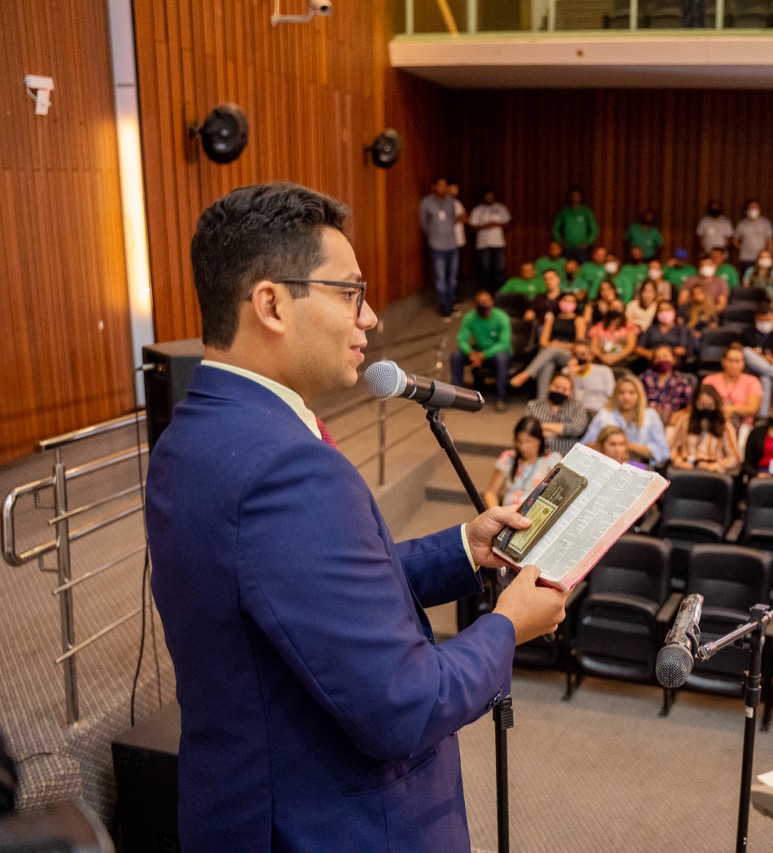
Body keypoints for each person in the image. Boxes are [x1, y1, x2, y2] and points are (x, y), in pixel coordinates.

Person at [147, 182, 567, 852]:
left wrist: (462, 547)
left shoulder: (193, 433)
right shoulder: (286, 465)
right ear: (272, 304)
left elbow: (299, 592)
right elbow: (404, 704)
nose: (370, 318)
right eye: (350, 293)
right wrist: (508, 627)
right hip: (335, 823)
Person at [582, 373, 670, 466]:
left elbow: (663, 452)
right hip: (607, 464)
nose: (626, 397)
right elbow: (585, 445)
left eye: (631, 392)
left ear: (639, 395)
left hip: (639, 465)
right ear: (615, 395)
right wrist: (605, 444)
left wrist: (629, 445)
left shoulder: (650, 415)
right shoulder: (604, 414)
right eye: (621, 393)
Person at [509, 292, 583, 400]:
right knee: (548, 363)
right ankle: (541, 402)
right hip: (550, 354)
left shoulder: (579, 320)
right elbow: (543, 341)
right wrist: (554, 345)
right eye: (565, 300)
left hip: (569, 355)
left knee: (552, 350)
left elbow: (579, 345)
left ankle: (526, 374)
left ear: (576, 304)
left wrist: (559, 345)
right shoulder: (551, 318)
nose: (567, 303)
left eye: (571, 301)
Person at [451, 291, 512, 412]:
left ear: (492, 303)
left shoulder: (501, 317)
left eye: (485, 302)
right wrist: (471, 353)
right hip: (478, 350)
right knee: (456, 356)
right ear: (475, 305)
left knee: (501, 359)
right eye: (479, 302)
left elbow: (504, 343)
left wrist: (483, 355)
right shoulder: (470, 318)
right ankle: (456, 395)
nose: (482, 304)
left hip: (497, 351)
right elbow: (462, 339)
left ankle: (501, 398)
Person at [482, 417, 562, 509]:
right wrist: (496, 512)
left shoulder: (552, 460)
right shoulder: (508, 458)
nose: (523, 447)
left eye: (528, 442)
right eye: (519, 442)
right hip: (508, 514)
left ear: (539, 441)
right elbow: (490, 492)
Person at [665, 384, 742, 474]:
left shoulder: (725, 425)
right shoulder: (684, 421)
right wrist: (679, 462)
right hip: (686, 467)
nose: (705, 409)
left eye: (710, 406)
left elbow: (734, 458)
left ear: (716, 405)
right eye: (701, 405)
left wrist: (716, 465)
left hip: (712, 470)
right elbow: (672, 448)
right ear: (695, 404)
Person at [419, 176, 464, 316]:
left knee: (452, 277)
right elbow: (424, 224)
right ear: (433, 187)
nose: (443, 188)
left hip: (452, 244)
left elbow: (454, 219)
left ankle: (451, 304)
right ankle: (444, 308)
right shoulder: (426, 203)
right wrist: (433, 236)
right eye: (440, 185)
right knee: (440, 278)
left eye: (445, 185)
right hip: (437, 245)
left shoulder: (451, 202)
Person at [523, 373, 589, 457]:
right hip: (537, 456)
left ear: (571, 392)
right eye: (556, 387)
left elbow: (578, 428)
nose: (559, 391)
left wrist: (543, 426)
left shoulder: (577, 407)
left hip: (566, 456)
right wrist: (563, 432)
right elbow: (527, 427)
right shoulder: (533, 405)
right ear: (549, 386)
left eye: (564, 389)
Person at [702, 343, 764, 428]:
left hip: (743, 425)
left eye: (737, 361)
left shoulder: (753, 381)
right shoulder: (709, 380)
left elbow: (753, 409)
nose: (733, 365)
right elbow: (702, 403)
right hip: (713, 421)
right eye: (730, 361)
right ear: (723, 361)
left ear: (743, 364)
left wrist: (731, 409)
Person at [639, 344, 694, 425]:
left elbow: (690, 406)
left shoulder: (681, 380)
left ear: (674, 359)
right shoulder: (645, 377)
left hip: (672, 421)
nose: (661, 359)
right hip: (646, 420)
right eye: (657, 357)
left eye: (665, 356)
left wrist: (678, 415)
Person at [469, 187, 511, 294]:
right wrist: (485, 226)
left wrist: (496, 224)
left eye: (491, 196)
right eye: (487, 196)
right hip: (483, 244)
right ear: (484, 197)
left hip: (498, 243)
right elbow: (471, 227)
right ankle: (485, 292)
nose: (489, 198)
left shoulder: (500, 208)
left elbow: (508, 223)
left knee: (499, 269)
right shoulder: (478, 209)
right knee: (485, 269)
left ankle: (500, 293)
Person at [566, 339, 615, 416]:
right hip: (578, 413)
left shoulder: (604, 371)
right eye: (575, 354)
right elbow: (569, 400)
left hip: (601, 412)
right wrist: (572, 377)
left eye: (582, 354)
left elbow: (612, 397)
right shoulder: (566, 372)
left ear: (591, 356)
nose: (579, 358)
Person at [552, 186, 598, 263]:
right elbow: (555, 229)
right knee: (568, 268)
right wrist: (560, 241)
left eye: (577, 196)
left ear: (580, 197)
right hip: (567, 247)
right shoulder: (564, 212)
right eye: (573, 196)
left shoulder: (586, 212)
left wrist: (588, 242)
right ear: (570, 197)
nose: (575, 198)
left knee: (582, 268)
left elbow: (594, 229)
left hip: (582, 248)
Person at [734, 199, 773, 270]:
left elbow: (770, 241)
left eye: (755, 207)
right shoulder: (741, 224)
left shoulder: (765, 223)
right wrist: (742, 247)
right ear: (746, 210)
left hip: (761, 258)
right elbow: (735, 240)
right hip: (746, 258)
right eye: (750, 208)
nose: (752, 210)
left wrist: (770, 255)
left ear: (759, 209)